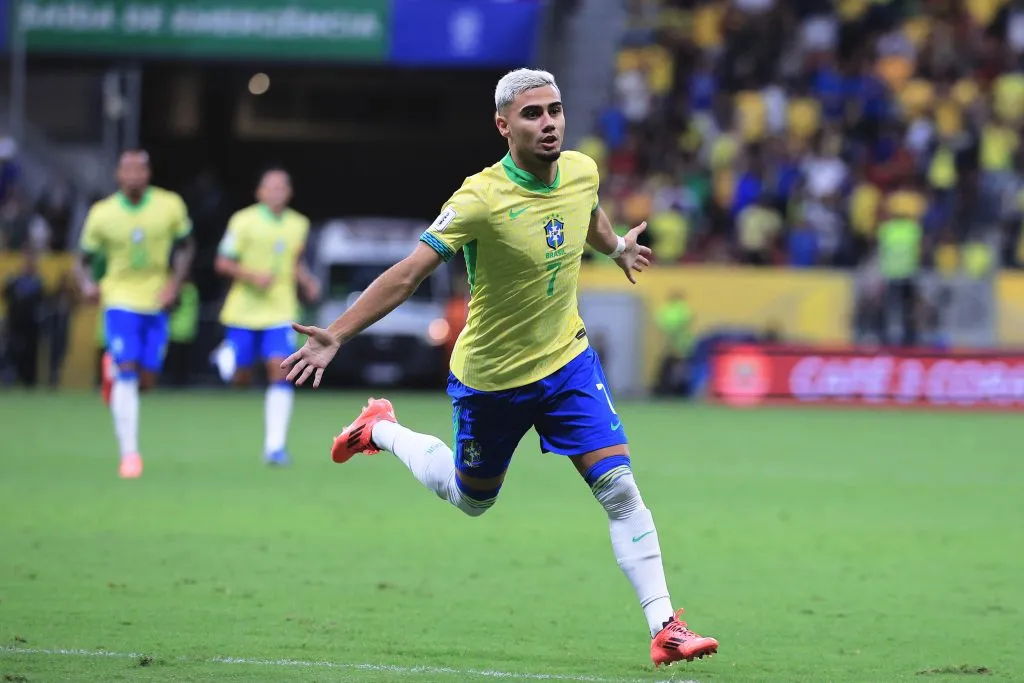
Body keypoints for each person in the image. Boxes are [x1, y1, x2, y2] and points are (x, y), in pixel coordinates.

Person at [281, 68, 719, 667]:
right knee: (471, 498)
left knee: (619, 489)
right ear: (503, 124)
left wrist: (615, 248)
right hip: (490, 378)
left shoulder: (583, 170)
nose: (549, 124)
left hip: (567, 362)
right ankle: (380, 428)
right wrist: (336, 333)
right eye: (533, 114)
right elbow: (409, 274)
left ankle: (664, 626)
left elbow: (587, 214)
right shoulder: (478, 199)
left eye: (555, 110)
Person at [75, 150, 195, 479]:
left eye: (139, 168)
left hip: (157, 300)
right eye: (127, 169)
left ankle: (112, 372)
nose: (133, 175)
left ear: (148, 172)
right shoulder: (102, 213)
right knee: (129, 370)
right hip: (119, 299)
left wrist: (174, 283)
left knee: (145, 380)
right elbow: (81, 260)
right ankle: (130, 455)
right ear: (118, 174)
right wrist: (88, 285)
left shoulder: (169, 205)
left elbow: (186, 246)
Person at [212, 168, 319, 466]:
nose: (276, 192)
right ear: (259, 192)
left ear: (289, 192)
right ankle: (226, 356)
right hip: (243, 311)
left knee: (280, 370)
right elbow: (222, 262)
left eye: (282, 187)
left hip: (281, 311)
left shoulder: (299, 224)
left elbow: (295, 262)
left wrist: (307, 282)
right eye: (270, 187)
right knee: (241, 379)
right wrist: (251, 275)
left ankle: (275, 446)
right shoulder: (242, 221)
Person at [2, 246, 44, 388]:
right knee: (11, 351)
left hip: (31, 324)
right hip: (15, 323)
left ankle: (29, 381)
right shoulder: (15, 279)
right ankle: (10, 379)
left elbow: (42, 301)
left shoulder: (37, 281)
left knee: (30, 353)